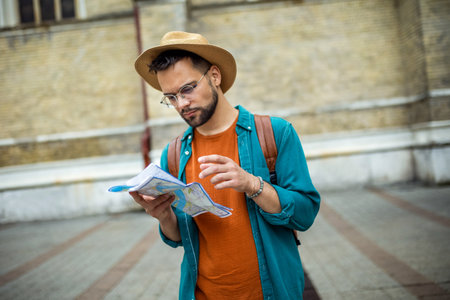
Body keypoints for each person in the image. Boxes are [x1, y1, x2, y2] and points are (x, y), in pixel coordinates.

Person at [130, 31, 320, 300]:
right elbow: (180, 236)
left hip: (272, 291)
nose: (181, 104)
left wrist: (252, 184)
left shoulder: (274, 133)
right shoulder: (173, 155)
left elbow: (305, 214)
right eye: (171, 97)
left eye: (187, 89)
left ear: (215, 76)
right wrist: (163, 216)